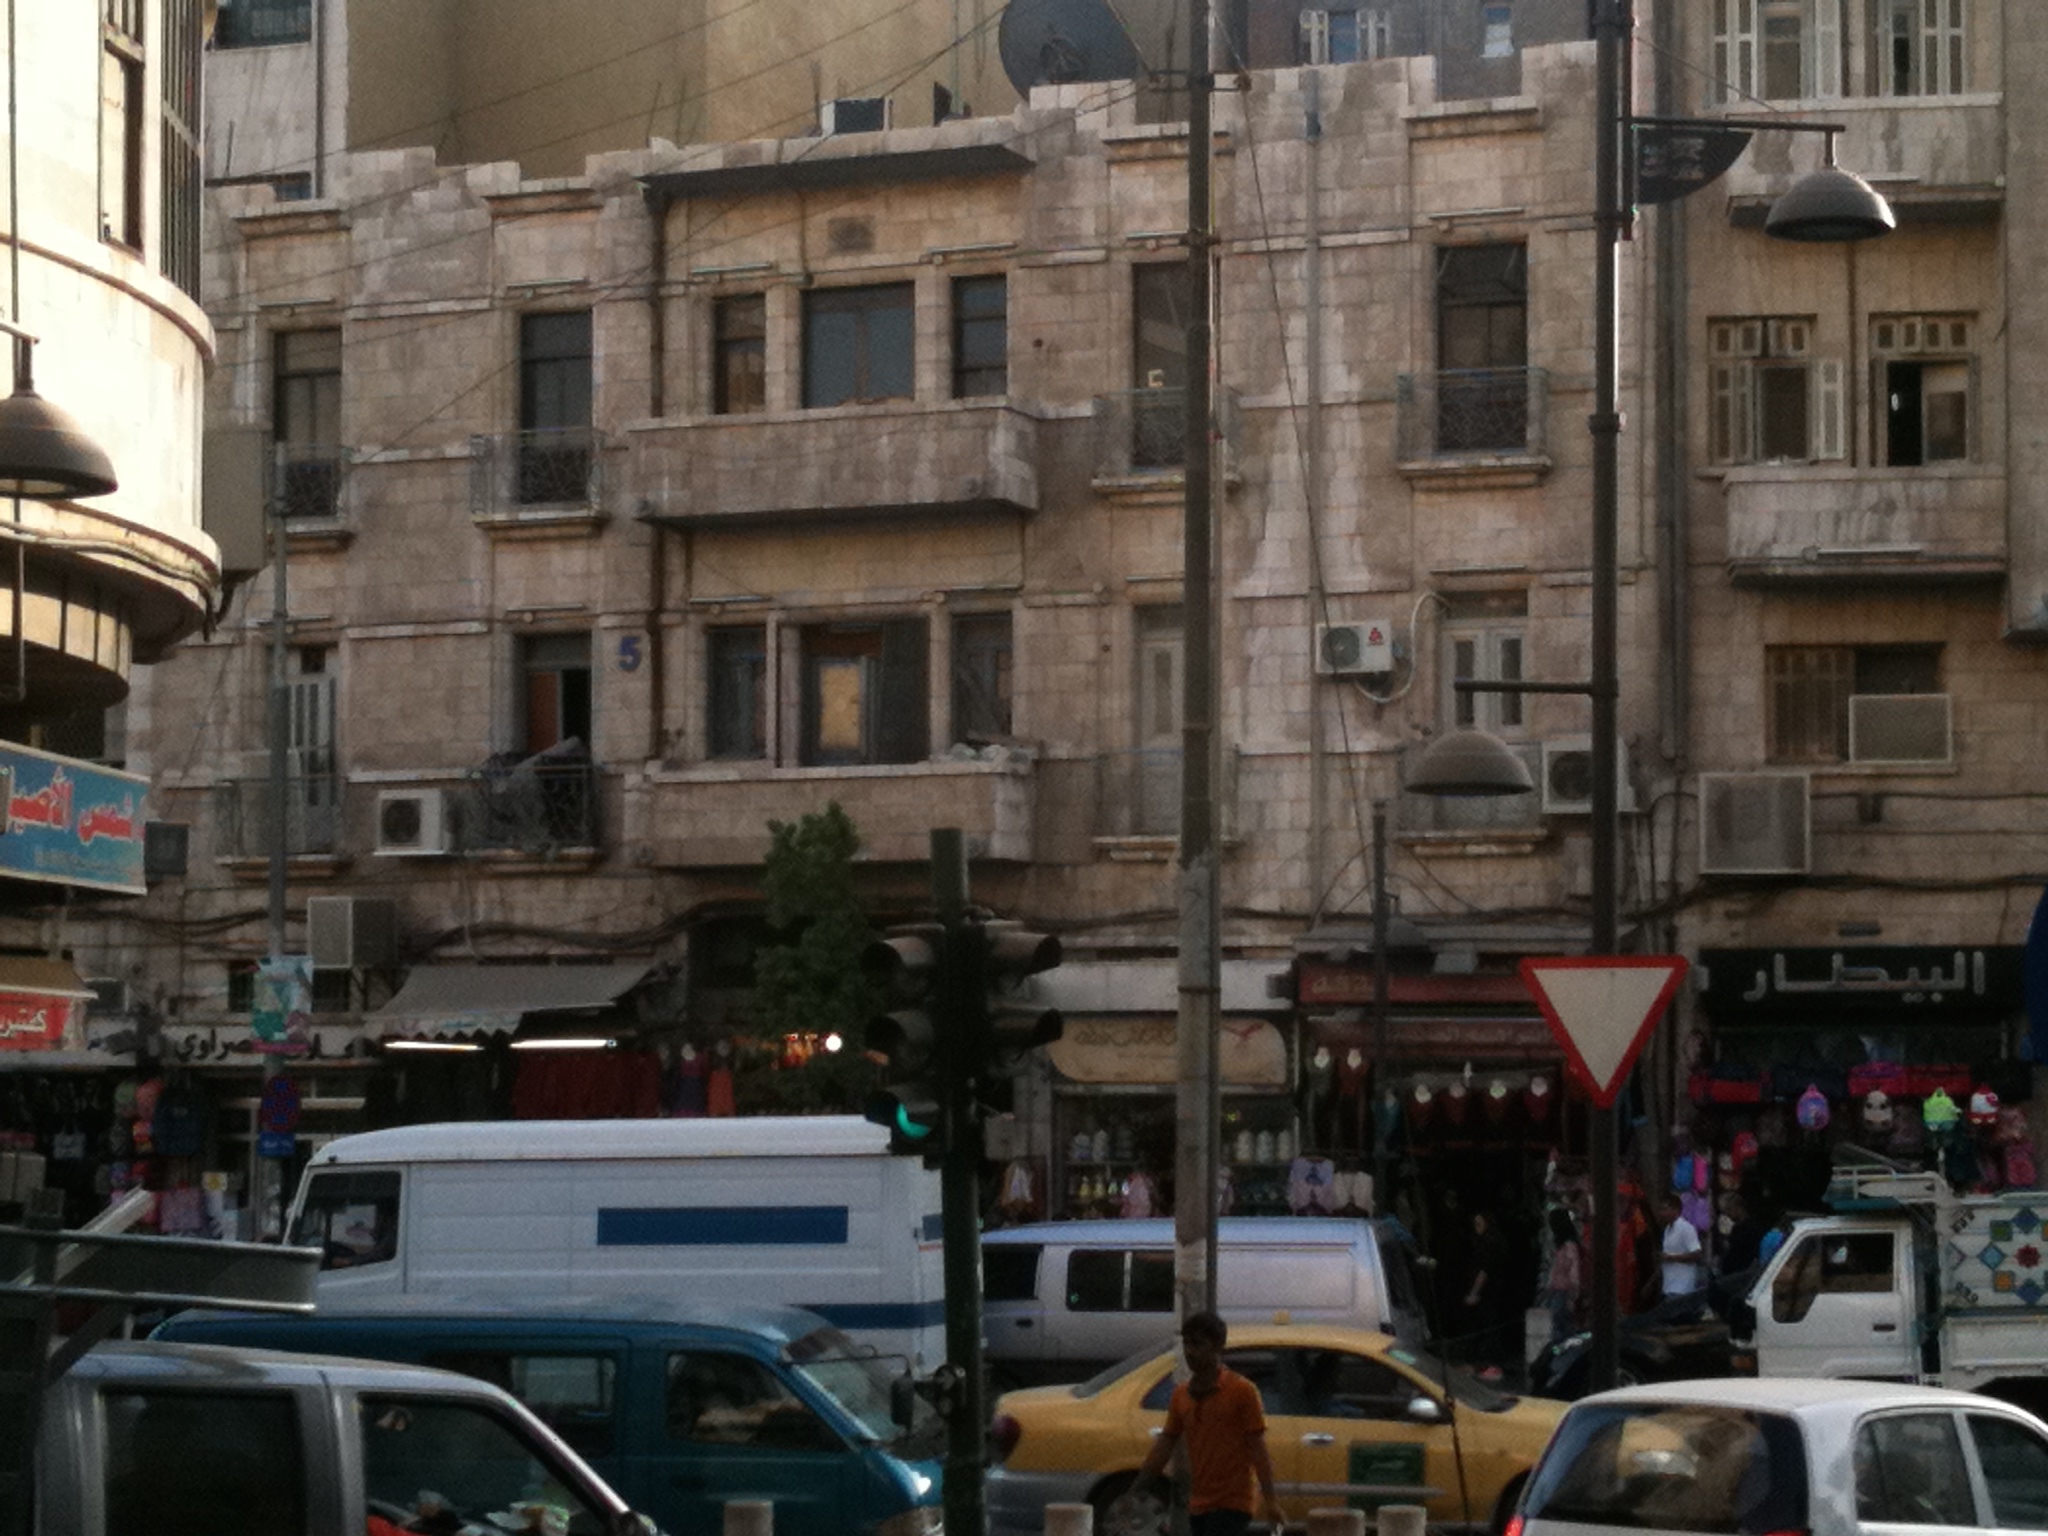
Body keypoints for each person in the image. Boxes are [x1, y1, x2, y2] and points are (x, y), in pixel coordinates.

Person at [1117, 1311, 1287, 1536]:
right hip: (1198, 1503)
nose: (1190, 1352)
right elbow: (1164, 1446)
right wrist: (1135, 1491)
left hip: (1233, 1502)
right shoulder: (1181, 1395)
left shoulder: (1241, 1391)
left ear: (1217, 1346)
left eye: (1197, 1344)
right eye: (1186, 1344)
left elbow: (1258, 1449)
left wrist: (1272, 1501)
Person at [1543, 1208, 1585, 1344]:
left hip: (1564, 1291)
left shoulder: (1569, 1246)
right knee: (1558, 1324)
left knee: (1559, 1325)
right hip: (1557, 1291)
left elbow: (1574, 1272)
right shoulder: (1562, 1246)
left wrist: (1573, 1295)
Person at [1657, 1190, 1706, 1300]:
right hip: (1669, 1285)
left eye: (1665, 1209)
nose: (1662, 1213)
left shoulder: (1686, 1228)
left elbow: (1697, 1254)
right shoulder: (1668, 1230)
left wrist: (1672, 1257)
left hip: (1683, 1287)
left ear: (1676, 1210)